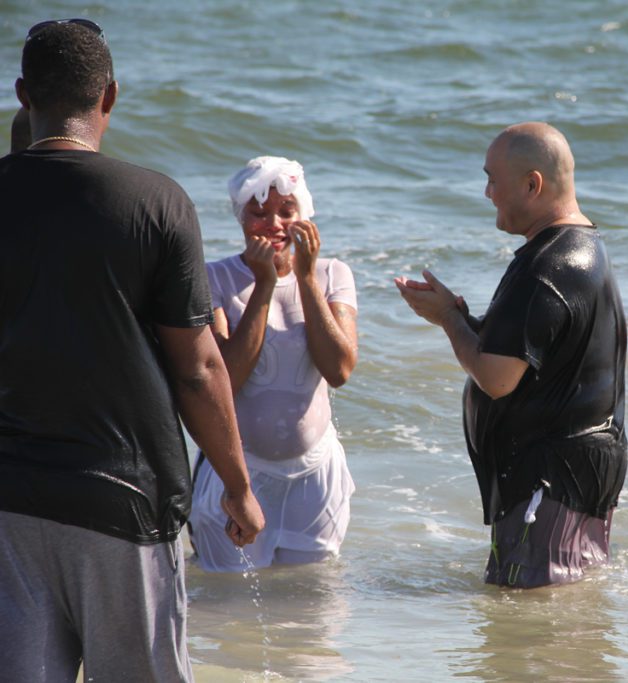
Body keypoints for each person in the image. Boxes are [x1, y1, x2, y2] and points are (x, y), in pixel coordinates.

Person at [0, 19, 264, 683]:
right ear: (110, 96)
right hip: (124, 500)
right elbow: (200, 369)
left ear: (23, 93)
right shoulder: (154, 202)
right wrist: (236, 486)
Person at [396, 122, 628, 588]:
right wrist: (465, 317)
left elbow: (497, 378)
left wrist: (448, 320)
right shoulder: (582, 248)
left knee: (534, 613)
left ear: (532, 184)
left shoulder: (547, 265)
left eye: (492, 180)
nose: (487, 193)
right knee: (562, 614)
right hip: (578, 467)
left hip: (551, 476)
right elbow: (540, 356)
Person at [188, 156, 359, 572]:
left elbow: (339, 369)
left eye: (287, 212)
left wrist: (303, 278)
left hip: (315, 475)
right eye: (259, 213)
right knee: (229, 606)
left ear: (304, 214)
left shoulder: (332, 274)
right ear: (240, 217)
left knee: (310, 608)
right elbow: (226, 377)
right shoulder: (215, 279)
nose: (274, 225)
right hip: (239, 477)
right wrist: (264, 284)